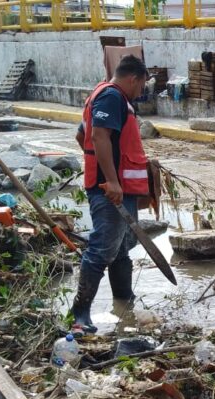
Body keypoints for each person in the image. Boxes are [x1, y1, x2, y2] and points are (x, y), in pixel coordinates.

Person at [71, 55, 150, 336]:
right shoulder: (112, 97)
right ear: (134, 79)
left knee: (121, 248)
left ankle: (123, 301)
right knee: (102, 249)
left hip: (121, 188)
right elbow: (98, 136)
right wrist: (111, 181)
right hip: (110, 190)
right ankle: (79, 314)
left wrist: (100, 165)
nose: (141, 92)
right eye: (141, 86)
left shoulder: (105, 95)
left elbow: (82, 136)